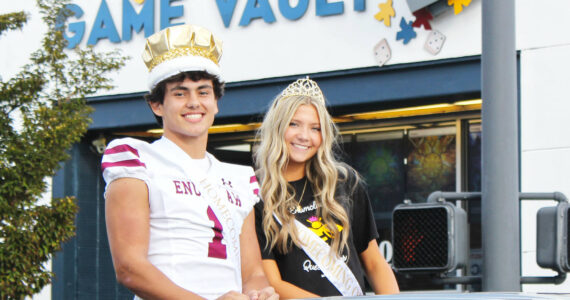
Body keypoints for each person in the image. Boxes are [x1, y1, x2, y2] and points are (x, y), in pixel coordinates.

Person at [101, 24, 278, 300]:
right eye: (180, 93)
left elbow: (252, 272)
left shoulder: (240, 177)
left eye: (203, 92)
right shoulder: (136, 160)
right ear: (157, 105)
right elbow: (129, 268)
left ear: (216, 102)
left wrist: (258, 293)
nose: (194, 102)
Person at [253, 77, 400, 298]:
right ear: (277, 127)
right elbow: (272, 282)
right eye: (294, 124)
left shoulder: (344, 182)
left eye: (315, 128)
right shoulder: (254, 193)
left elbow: (374, 263)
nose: (304, 136)